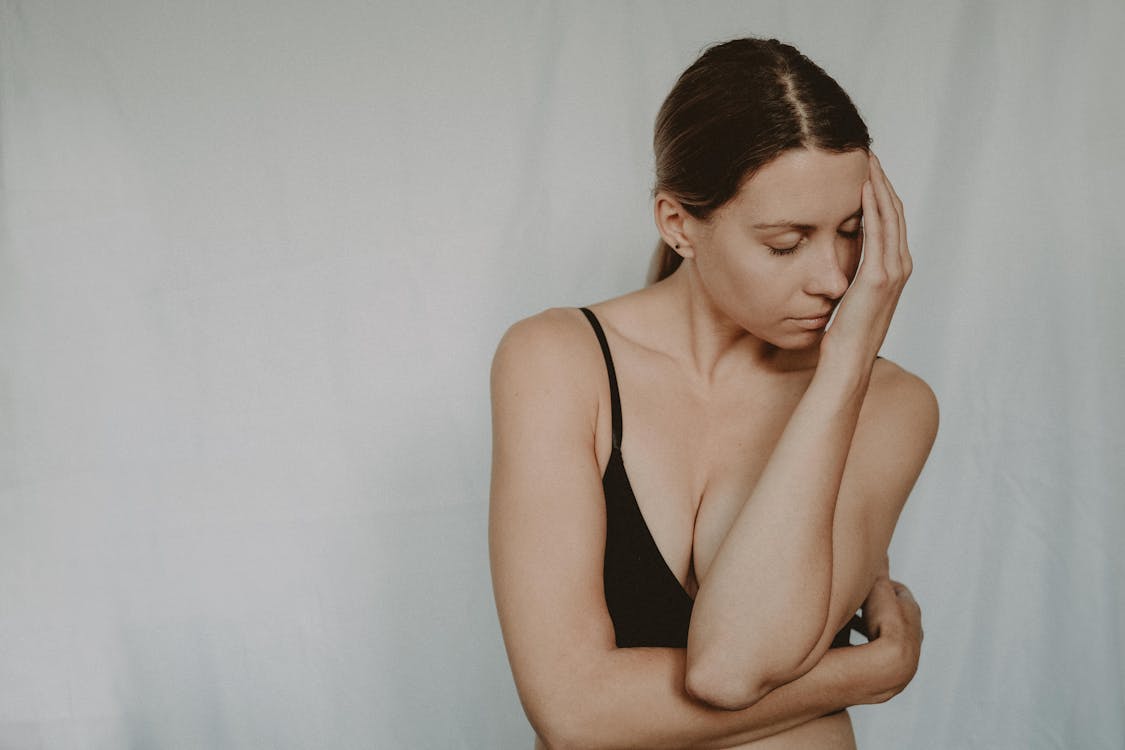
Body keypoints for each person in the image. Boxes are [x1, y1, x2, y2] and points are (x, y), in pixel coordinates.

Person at [489, 37, 938, 749]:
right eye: (786, 243)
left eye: (851, 233)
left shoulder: (889, 402)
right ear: (678, 224)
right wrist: (865, 671)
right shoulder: (557, 362)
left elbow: (735, 663)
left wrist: (844, 367)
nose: (832, 278)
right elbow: (574, 713)